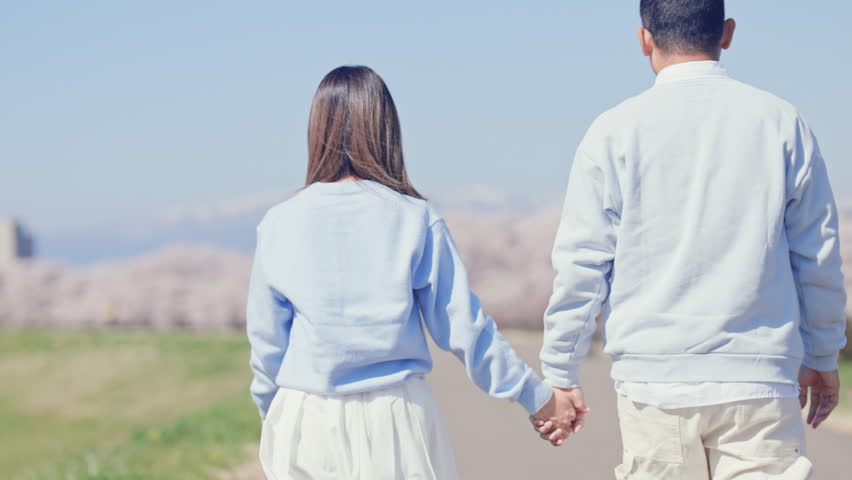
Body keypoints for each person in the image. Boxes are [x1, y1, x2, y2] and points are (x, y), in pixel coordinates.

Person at [533, 0, 847, 478]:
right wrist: (823, 352)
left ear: (644, 39)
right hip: (758, 379)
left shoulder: (613, 131)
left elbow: (583, 263)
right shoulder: (782, 122)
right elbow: (818, 254)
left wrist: (560, 370)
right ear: (727, 33)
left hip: (654, 382)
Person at [246, 65, 573, 480]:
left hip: (304, 415)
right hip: (395, 418)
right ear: (385, 128)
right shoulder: (415, 219)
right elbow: (464, 329)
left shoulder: (279, 222)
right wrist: (539, 397)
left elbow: (267, 343)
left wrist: (271, 413)